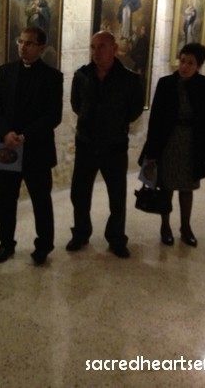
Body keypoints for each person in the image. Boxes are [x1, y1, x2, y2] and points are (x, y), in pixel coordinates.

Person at [0, 26, 63, 265]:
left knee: (41, 200)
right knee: (5, 200)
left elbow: (53, 116)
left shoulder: (53, 77)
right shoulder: (6, 72)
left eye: (29, 43)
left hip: (36, 149)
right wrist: (6, 133)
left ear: (41, 47)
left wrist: (25, 136)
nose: (23, 47)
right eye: (20, 42)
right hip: (6, 146)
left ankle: (43, 246)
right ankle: (6, 243)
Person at [66, 30, 144, 258]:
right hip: (86, 143)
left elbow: (134, 110)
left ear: (114, 49)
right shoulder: (82, 75)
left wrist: (114, 123)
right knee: (80, 193)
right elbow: (76, 105)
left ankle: (116, 238)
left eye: (101, 47)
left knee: (117, 195)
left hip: (114, 145)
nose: (96, 52)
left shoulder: (129, 79)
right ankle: (81, 232)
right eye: (93, 47)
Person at [140, 43, 205, 247]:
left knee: (187, 187)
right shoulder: (166, 83)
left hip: (192, 142)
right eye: (182, 61)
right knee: (166, 186)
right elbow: (156, 119)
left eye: (190, 63)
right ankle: (165, 226)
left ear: (198, 66)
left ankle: (185, 226)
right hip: (169, 141)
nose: (184, 66)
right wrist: (152, 150)